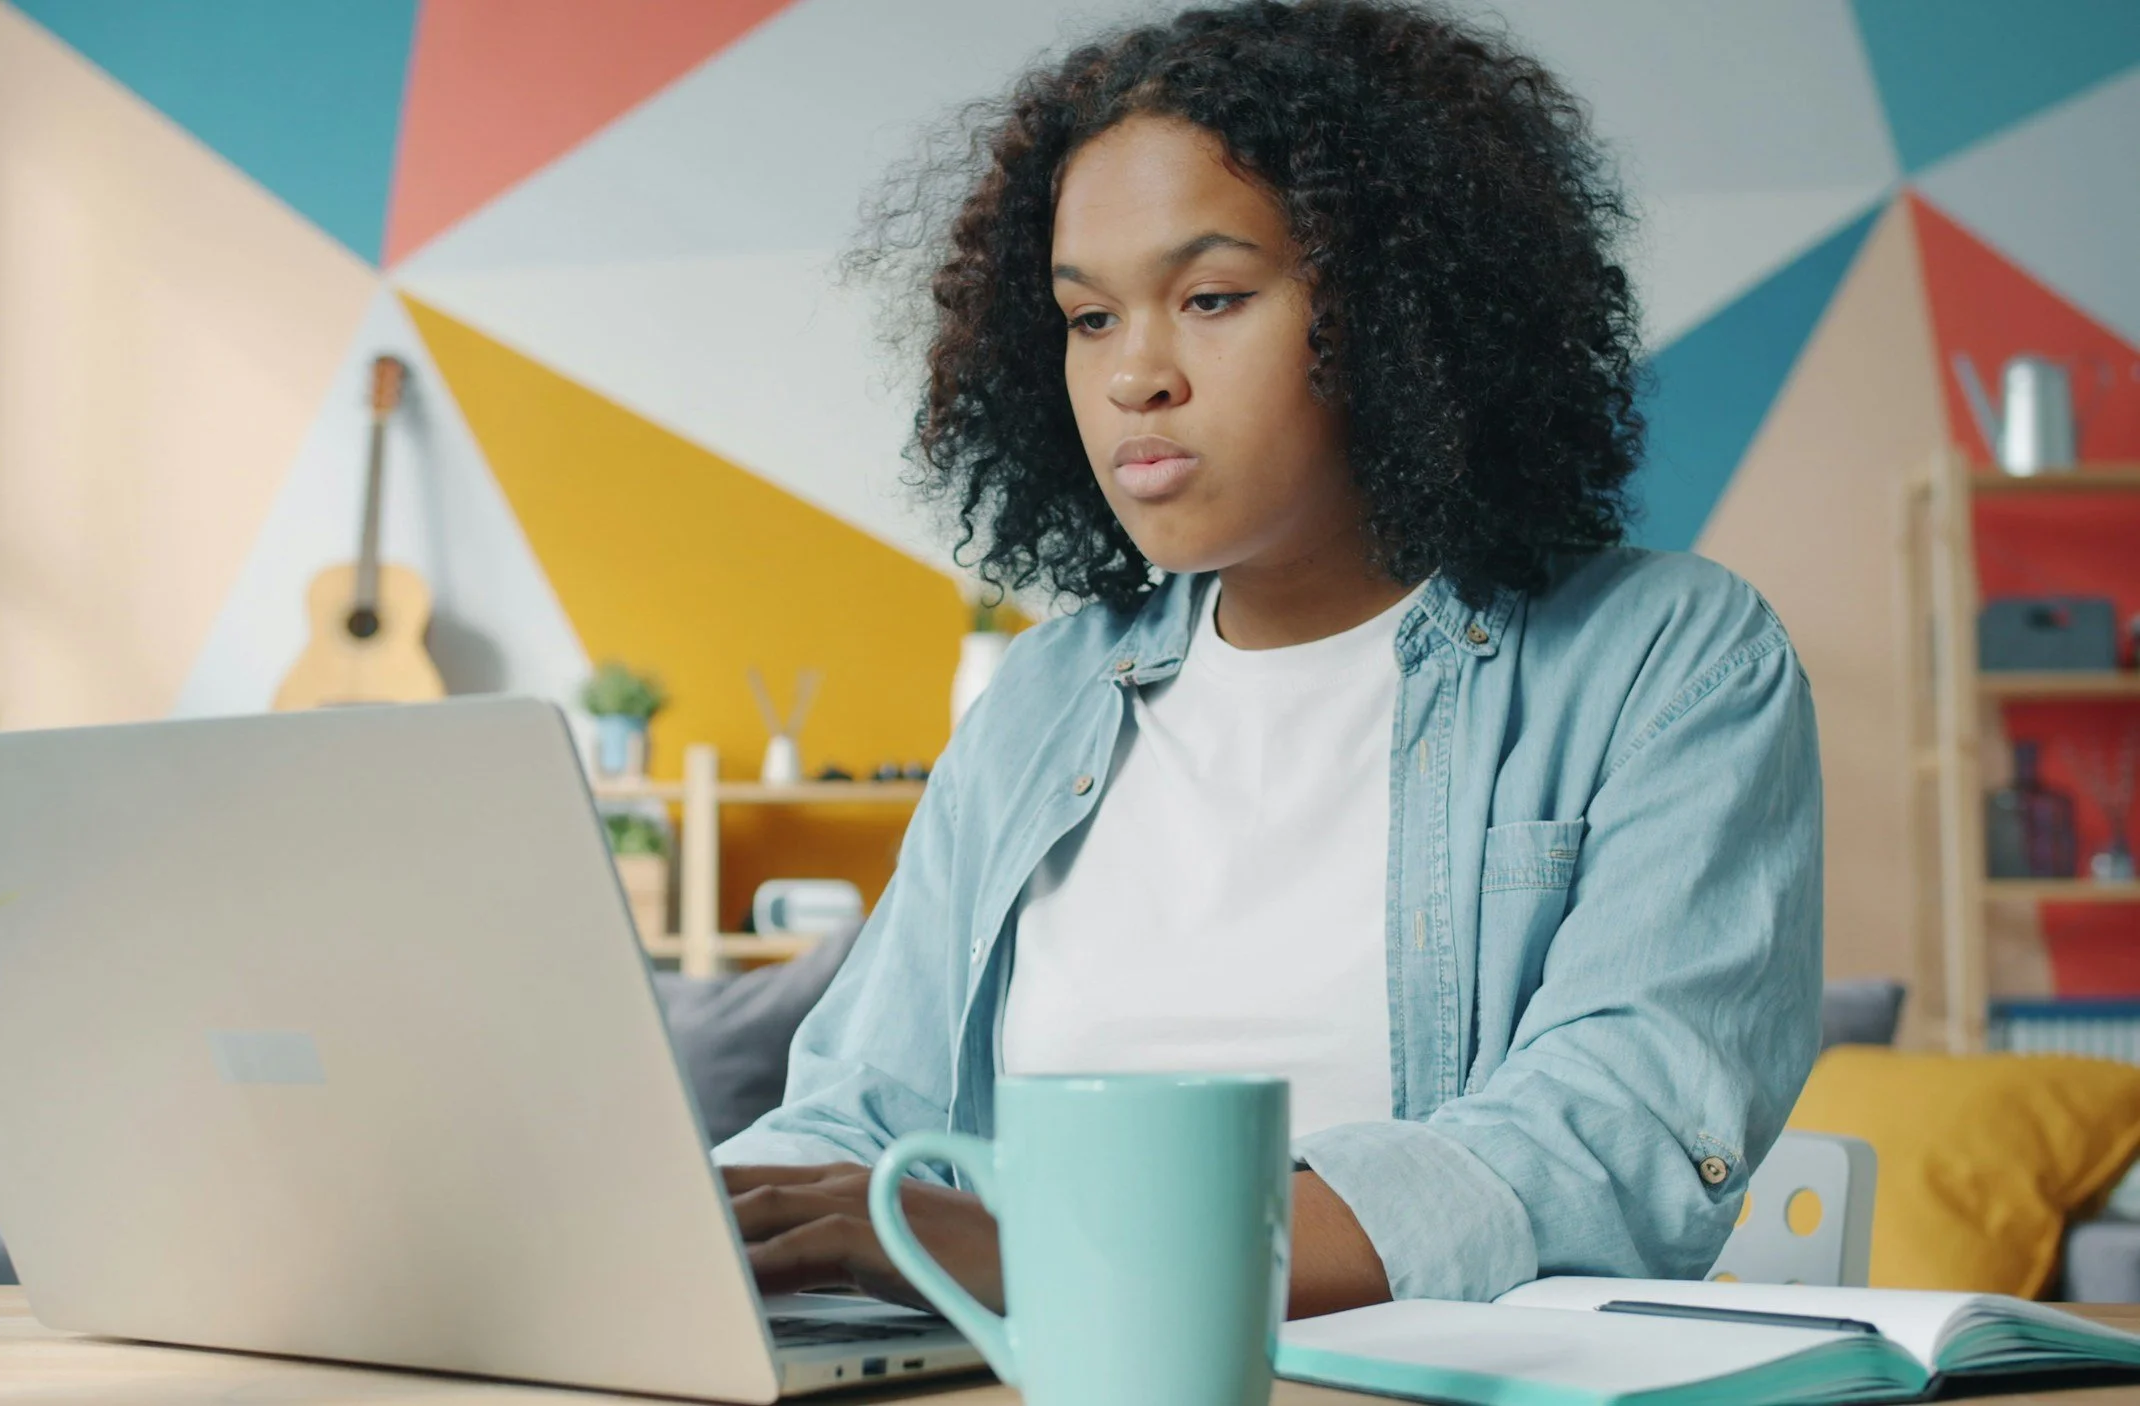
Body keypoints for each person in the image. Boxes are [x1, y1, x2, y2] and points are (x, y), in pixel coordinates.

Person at [715, 0, 1823, 1319]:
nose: (1136, 376)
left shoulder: (1672, 662)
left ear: (1400, 309)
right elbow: (857, 1113)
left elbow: (1607, 1136)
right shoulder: (1043, 695)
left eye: (1211, 297)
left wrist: (1065, 1253)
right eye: (1087, 319)